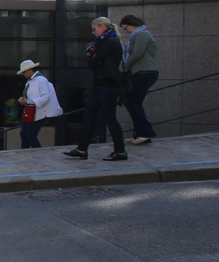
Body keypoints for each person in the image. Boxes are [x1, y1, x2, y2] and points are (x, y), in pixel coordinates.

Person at [63, 17, 127, 161]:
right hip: (99, 84)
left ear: (103, 27)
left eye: (95, 29)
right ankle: (82, 149)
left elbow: (93, 61)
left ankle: (120, 151)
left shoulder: (110, 42)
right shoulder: (105, 42)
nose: (93, 32)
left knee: (110, 119)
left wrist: (94, 59)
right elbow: (93, 61)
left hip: (108, 84)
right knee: (89, 116)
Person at [119, 14, 159, 145]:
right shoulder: (138, 34)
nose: (125, 31)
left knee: (130, 100)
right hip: (142, 72)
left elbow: (137, 53)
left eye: (125, 28)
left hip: (145, 72)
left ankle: (146, 132)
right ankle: (140, 133)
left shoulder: (141, 34)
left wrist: (125, 66)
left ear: (131, 24)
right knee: (135, 102)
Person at [16, 59, 63, 148]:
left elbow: (45, 96)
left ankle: (37, 153)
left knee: (30, 135)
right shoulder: (30, 81)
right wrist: (25, 99)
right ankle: (24, 153)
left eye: (24, 72)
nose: (23, 74)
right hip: (32, 111)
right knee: (24, 133)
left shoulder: (41, 79)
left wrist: (28, 101)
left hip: (40, 111)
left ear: (30, 70)